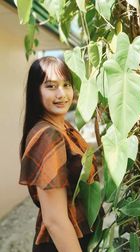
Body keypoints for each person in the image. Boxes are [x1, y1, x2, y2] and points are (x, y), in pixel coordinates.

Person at [19, 56, 98, 252]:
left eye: (66, 84)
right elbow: (54, 220)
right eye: (51, 86)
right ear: (36, 91)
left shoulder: (64, 127)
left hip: (79, 236)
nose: (62, 93)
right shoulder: (48, 136)